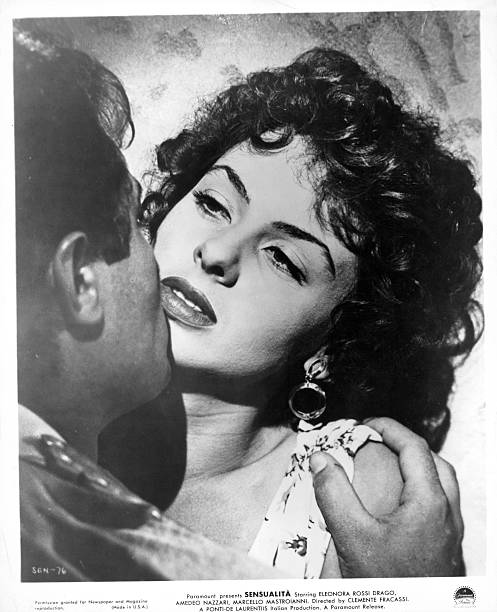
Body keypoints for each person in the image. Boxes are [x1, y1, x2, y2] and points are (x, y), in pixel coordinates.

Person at [14, 28, 466, 581]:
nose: (218, 254)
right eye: (212, 203)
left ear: (333, 343)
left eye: (283, 259)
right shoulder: (43, 404)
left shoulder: (358, 494)